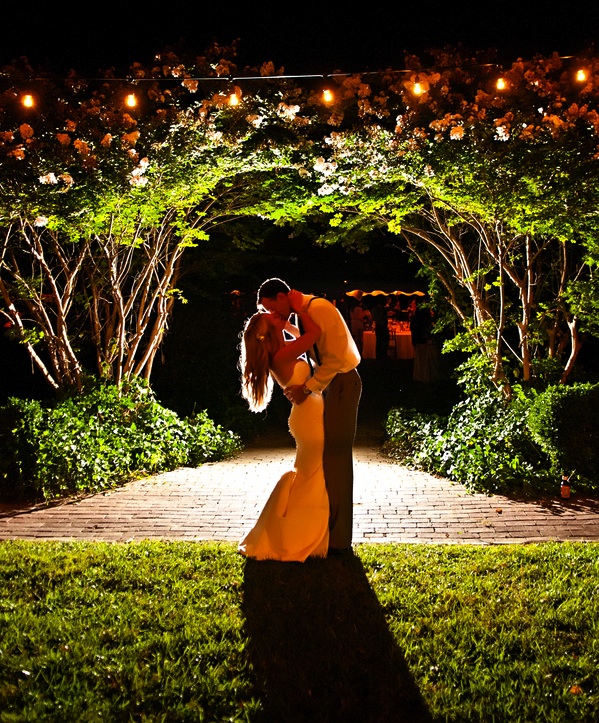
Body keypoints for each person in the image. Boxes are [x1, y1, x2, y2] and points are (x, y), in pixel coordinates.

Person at [257, 278, 362, 553]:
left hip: (341, 382)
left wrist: (308, 388)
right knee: (329, 460)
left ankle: (339, 539)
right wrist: (285, 325)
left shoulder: (319, 309)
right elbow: (308, 341)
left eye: (274, 308)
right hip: (329, 385)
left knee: (336, 458)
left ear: (282, 296)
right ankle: (330, 533)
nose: (275, 316)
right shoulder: (305, 314)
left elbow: (336, 360)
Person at [238, 299, 329, 561]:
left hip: (306, 415)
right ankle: (296, 534)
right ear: (268, 331)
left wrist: (286, 325)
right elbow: (314, 335)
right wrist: (301, 309)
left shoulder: (281, 351)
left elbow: (303, 338)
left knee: (310, 475)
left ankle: (298, 529)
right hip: (308, 418)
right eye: (272, 317)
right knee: (310, 478)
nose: (276, 315)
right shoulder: (281, 356)